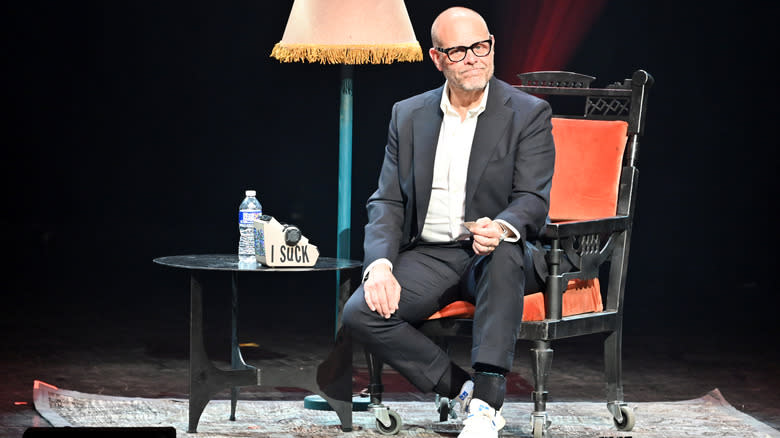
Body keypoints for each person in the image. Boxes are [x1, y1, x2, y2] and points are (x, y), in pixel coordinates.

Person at [341, 6, 555, 437]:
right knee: (360, 312)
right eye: (459, 51)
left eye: (482, 46)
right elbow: (387, 199)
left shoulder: (528, 113)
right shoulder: (409, 114)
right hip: (431, 255)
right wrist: (379, 264)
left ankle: (487, 406)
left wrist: (501, 226)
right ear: (437, 58)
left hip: (494, 254)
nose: (474, 57)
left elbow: (533, 198)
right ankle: (467, 393)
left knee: (504, 253)